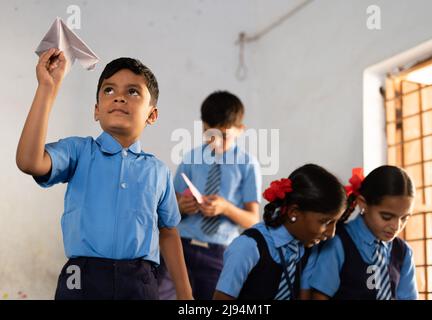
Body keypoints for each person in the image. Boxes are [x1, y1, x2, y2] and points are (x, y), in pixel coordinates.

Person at [16, 49, 192, 299]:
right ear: (96, 110)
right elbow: (28, 161)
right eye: (109, 90)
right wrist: (47, 87)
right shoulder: (78, 151)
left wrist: (186, 296)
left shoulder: (158, 171)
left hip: (140, 282)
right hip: (82, 277)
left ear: (152, 115)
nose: (119, 97)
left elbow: (169, 232)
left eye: (133, 91)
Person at [158, 91, 262, 300]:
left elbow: (253, 220)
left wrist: (226, 208)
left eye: (223, 135)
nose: (215, 141)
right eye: (209, 133)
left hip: (219, 252)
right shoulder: (192, 157)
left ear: (241, 131)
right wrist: (181, 206)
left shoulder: (247, 165)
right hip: (181, 245)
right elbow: (170, 207)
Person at [213, 164, 346, 300]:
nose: (331, 233)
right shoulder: (248, 247)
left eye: (335, 223)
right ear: (293, 213)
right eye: (325, 222)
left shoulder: (306, 249)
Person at [308, 166, 418, 300]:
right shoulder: (338, 242)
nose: (396, 226)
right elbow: (320, 296)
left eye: (404, 218)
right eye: (386, 217)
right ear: (363, 204)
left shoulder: (403, 251)